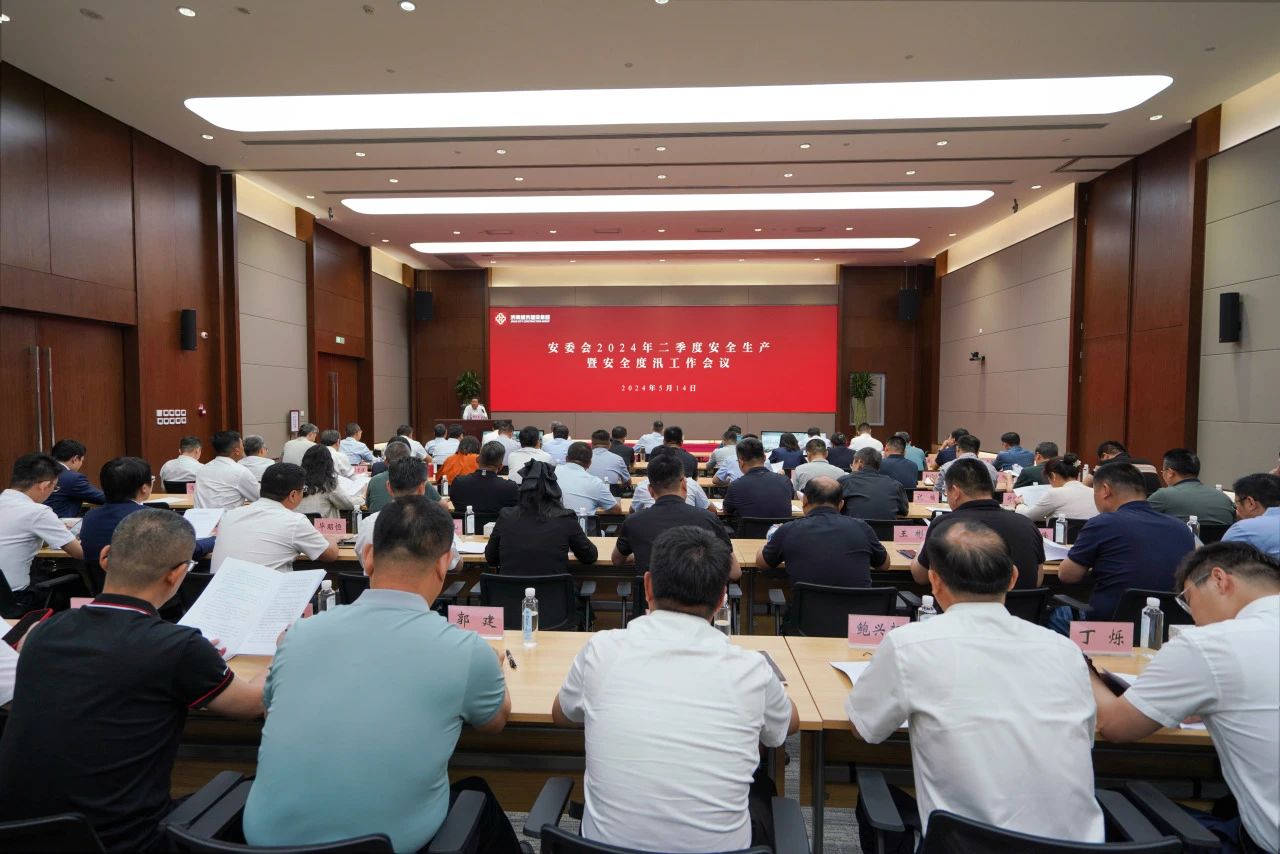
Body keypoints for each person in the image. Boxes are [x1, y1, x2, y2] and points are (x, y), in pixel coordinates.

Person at [243, 497, 520, 854]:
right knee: (477, 795)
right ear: (443, 564)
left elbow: (272, 711)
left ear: (368, 556)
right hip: (390, 846)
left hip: (264, 845)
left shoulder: (297, 636)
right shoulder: (466, 651)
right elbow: (495, 722)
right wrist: (492, 666)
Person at [0, 509, 264, 852]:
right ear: (178, 574)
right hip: (127, 843)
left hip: (22, 836)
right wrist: (288, 648)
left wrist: (192, 657)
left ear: (105, 557)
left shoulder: (42, 633)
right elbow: (252, 704)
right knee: (251, 792)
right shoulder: (178, 647)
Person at [848, 520, 1104, 846]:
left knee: (874, 798)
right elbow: (1085, 739)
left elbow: (863, 728)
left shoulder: (909, 645)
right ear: (1013, 578)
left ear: (934, 580)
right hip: (1076, 847)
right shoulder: (1065, 651)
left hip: (964, 845)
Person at [554, 525, 796, 852]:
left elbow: (562, 715)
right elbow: (786, 726)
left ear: (648, 586)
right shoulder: (752, 669)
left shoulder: (601, 649)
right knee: (762, 788)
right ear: (722, 599)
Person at [1090, 543, 1279, 854]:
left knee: (1102, 806)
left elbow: (1115, 726)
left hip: (1263, 845)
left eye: (1188, 600)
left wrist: (1084, 670)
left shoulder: (1210, 643)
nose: (1195, 619)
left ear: (1219, 580)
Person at [1050, 462, 1197, 632]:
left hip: (1109, 628)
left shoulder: (1103, 523)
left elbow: (1067, 575)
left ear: (1105, 490)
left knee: (1056, 615)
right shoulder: (1181, 528)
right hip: (1167, 627)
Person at [911, 457, 1046, 590]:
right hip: (1021, 605)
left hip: (960, 605)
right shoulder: (1027, 524)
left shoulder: (943, 525)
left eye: (947, 492)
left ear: (956, 492)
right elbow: (1038, 580)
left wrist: (922, 547)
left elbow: (920, 577)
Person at [80, 457, 214, 580]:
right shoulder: (152, 518)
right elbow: (190, 550)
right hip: (147, 591)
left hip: (101, 590)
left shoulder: (90, 517)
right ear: (144, 488)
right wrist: (215, 539)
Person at [612, 454, 738, 577]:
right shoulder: (708, 519)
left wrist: (641, 554)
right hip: (697, 589)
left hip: (652, 591)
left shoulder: (633, 522)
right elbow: (734, 572)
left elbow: (617, 560)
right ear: (684, 485)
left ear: (650, 490)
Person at [758, 477, 887, 588]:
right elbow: (884, 565)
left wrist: (770, 540)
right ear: (841, 504)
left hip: (808, 609)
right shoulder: (862, 528)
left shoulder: (788, 530)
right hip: (859, 608)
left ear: (805, 501)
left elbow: (763, 563)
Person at [210, 463, 337, 573]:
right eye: (303, 489)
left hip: (218, 591)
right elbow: (330, 555)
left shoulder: (230, 515)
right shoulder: (294, 521)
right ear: (293, 495)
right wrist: (331, 538)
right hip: (263, 592)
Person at [0, 454, 84, 607]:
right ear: (44, 485)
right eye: (55, 487)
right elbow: (80, 553)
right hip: (14, 599)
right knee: (74, 579)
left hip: (5, 593)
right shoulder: (38, 512)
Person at [486, 461, 598, 575]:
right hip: (555, 586)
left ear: (523, 488)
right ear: (554, 490)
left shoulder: (506, 516)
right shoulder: (565, 518)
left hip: (510, 586)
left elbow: (491, 557)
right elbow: (589, 556)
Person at [355, 458, 432, 572]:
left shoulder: (368, 523)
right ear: (422, 488)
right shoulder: (436, 522)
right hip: (422, 583)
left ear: (389, 487)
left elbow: (362, 559)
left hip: (378, 582)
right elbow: (454, 562)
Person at [1148, 448, 1237, 526]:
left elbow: (1140, 520)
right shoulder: (1224, 498)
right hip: (1218, 540)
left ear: (1170, 473)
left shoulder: (1163, 495)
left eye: (1163, 471)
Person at [723, 437, 794, 525]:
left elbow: (727, 511)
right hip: (781, 532)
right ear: (764, 458)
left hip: (748, 533)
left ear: (741, 462)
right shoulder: (785, 480)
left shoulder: (736, 485)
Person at [1015, 454, 1098, 522]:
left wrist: (1020, 504)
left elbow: (1028, 516)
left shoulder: (1054, 494)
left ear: (1053, 476)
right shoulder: (1094, 492)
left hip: (1061, 537)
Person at [194, 430, 261, 510]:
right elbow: (260, 497)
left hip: (199, 517)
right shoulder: (240, 471)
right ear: (237, 451)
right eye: (242, 445)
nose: (244, 448)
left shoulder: (203, 469)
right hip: (226, 517)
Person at [449, 441, 519, 517]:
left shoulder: (458, 483)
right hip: (498, 524)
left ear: (477, 460)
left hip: (465, 524)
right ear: (500, 467)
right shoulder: (510, 488)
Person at [838, 448, 908, 520]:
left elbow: (833, 509)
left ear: (859, 462)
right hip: (886, 527)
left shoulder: (844, 481)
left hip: (854, 526)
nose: (852, 467)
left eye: (852, 464)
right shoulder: (896, 485)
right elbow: (904, 511)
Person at [43, 438, 105, 518]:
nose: (81, 464)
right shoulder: (73, 478)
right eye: (81, 460)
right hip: (61, 522)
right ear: (75, 459)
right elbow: (102, 498)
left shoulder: (38, 471)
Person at [1223, 473, 1280, 559]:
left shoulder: (1244, 529)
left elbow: (1217, 562)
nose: (1236, 509)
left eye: (1236, 504)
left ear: (1250, 503)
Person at [555, 442, 620, 515]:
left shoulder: (551, 473)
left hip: (549, 521)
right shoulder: (595, 482)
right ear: (589, 463)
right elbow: (616, 510)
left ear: (566, 458)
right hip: (580, 522)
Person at [297, 445, 356, 520]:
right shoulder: (328, 484)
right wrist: (362, 498)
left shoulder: (296, 481)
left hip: (298, 523)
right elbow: (348, 504)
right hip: (322, 525)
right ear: (329, 462)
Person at [1084, 439, 1161, 494]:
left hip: (1126, 509)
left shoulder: (1106, 464)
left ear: (1105, 456)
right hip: (1153, 509)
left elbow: (1085, 485)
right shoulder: (1149, 464)